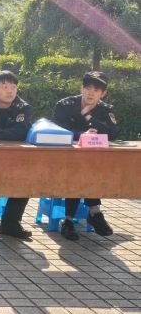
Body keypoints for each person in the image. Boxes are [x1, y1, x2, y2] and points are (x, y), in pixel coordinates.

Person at [53, 71, 118, 241]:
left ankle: (73, 219)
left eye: (96, 90)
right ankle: (92, 213)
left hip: (93, 162)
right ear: (81, 88)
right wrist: (81, 135)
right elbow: (58, 129)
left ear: (103, 93)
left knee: (87, 170)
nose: (91, 93)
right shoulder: (65, 105)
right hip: (64, 159)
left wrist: (88, 115)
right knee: (79, 171)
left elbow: (113, 133)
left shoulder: (106, 109)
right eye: (88, 88)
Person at [0, 70, 33, 240]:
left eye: (13, 87)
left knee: (26, 180)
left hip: (13, 159)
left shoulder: (23, 107)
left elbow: (20, 132)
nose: (10, 91)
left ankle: (10, 223)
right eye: (4, 86)